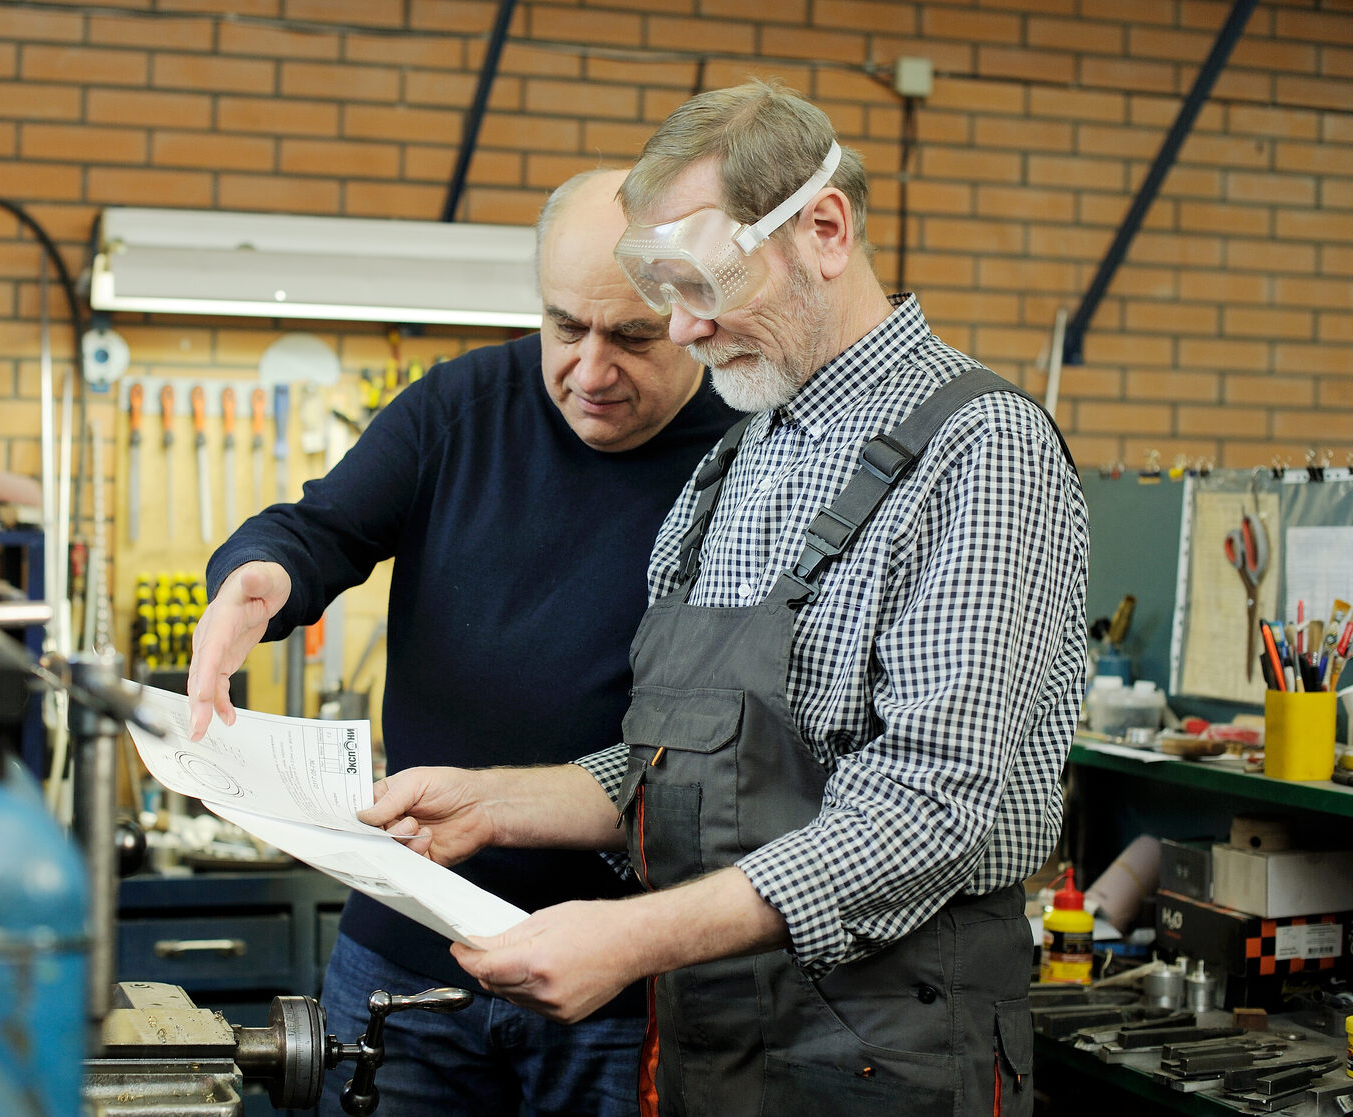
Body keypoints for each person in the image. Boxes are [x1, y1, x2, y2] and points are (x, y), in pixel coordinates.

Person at [360, 80, 1089, 1117]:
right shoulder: (734, 465)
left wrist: (630, 935)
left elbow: (928, 807)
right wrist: (496, 803)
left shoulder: (981, 452)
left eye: (705, 281)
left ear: (824, 231)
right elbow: (677, 765)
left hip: (890, 1051)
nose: (686, 330)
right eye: (665, 288)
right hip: (711, 1040)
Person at [186, 168, 738, 1116]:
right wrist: (260, 576)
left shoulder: (749, 456)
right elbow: (321, 529)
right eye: (566, 327)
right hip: (408, 958)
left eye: (633, 336)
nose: (592, 369)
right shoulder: (459, 407)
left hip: (622, 977)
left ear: (693, 310)